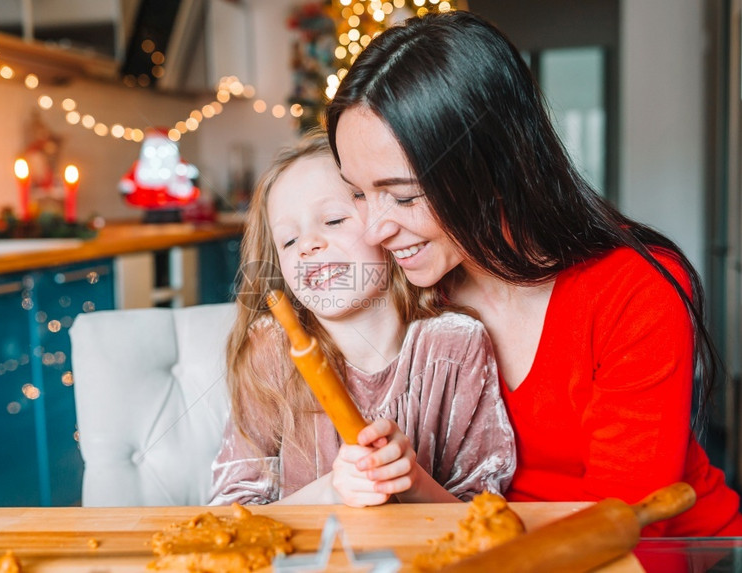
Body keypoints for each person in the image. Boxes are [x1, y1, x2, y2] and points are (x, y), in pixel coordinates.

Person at [325, 10, 742, 536]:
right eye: (357, 193)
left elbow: (621, 528)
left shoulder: (635, 288)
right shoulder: (416, 285)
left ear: (495, 169)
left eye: (404, 196)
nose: (373, 228)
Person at [210, 132, 515, 507]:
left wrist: (412, 481)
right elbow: (230, 510)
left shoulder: (456, 345)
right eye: (289, 241)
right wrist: (330, 491)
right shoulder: (271, 352)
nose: (308, 244)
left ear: (386, 228)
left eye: (334, 220)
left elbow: (481, 511)